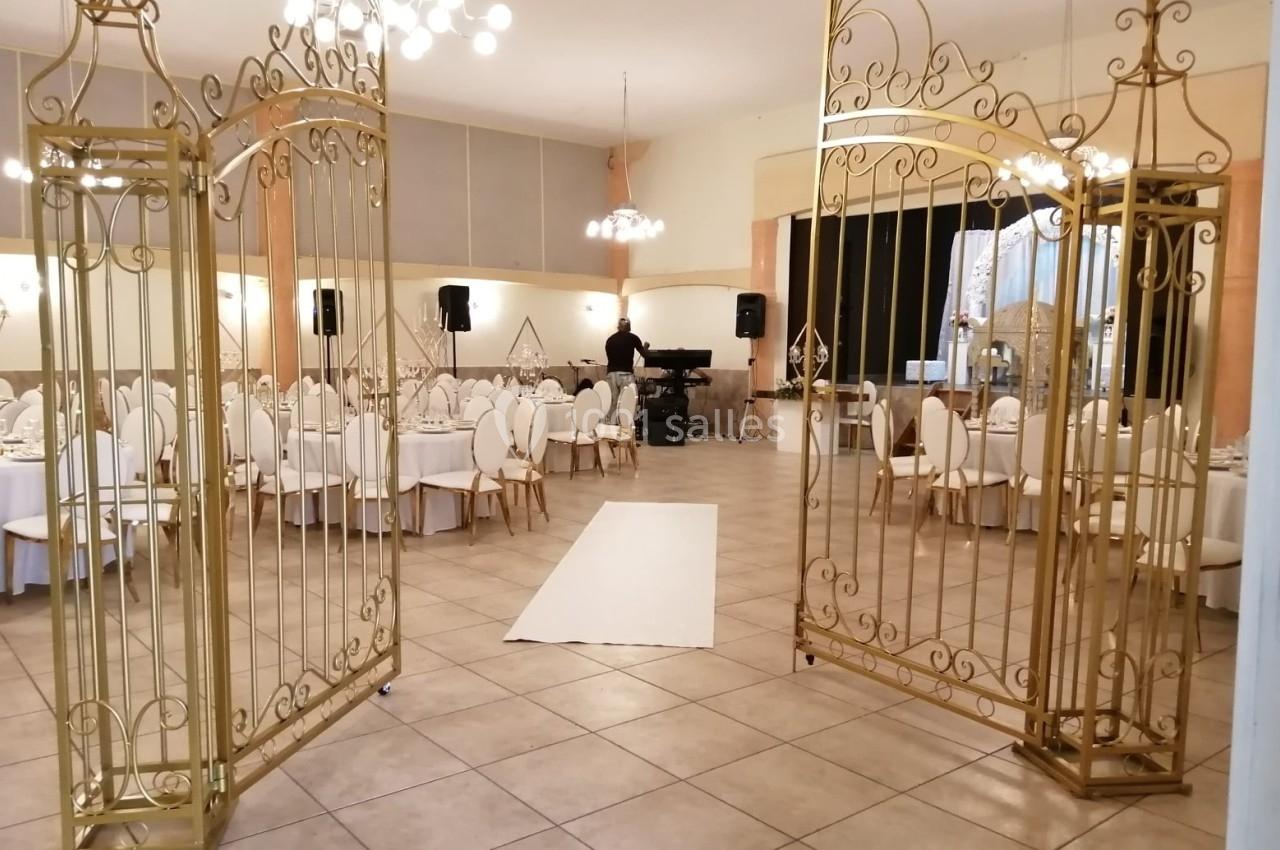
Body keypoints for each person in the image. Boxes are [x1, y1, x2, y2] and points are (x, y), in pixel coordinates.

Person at [604, 318, 648, 420]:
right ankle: (625, 428)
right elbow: (644, 354)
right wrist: (645, 348)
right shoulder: (633, 338)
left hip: (611, 374)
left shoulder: (610, 339)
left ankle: (612, 427)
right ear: (629, 327)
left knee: (613, 403)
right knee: (627, 402)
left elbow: (610, 356)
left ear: (618, 326)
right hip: (625, 374)